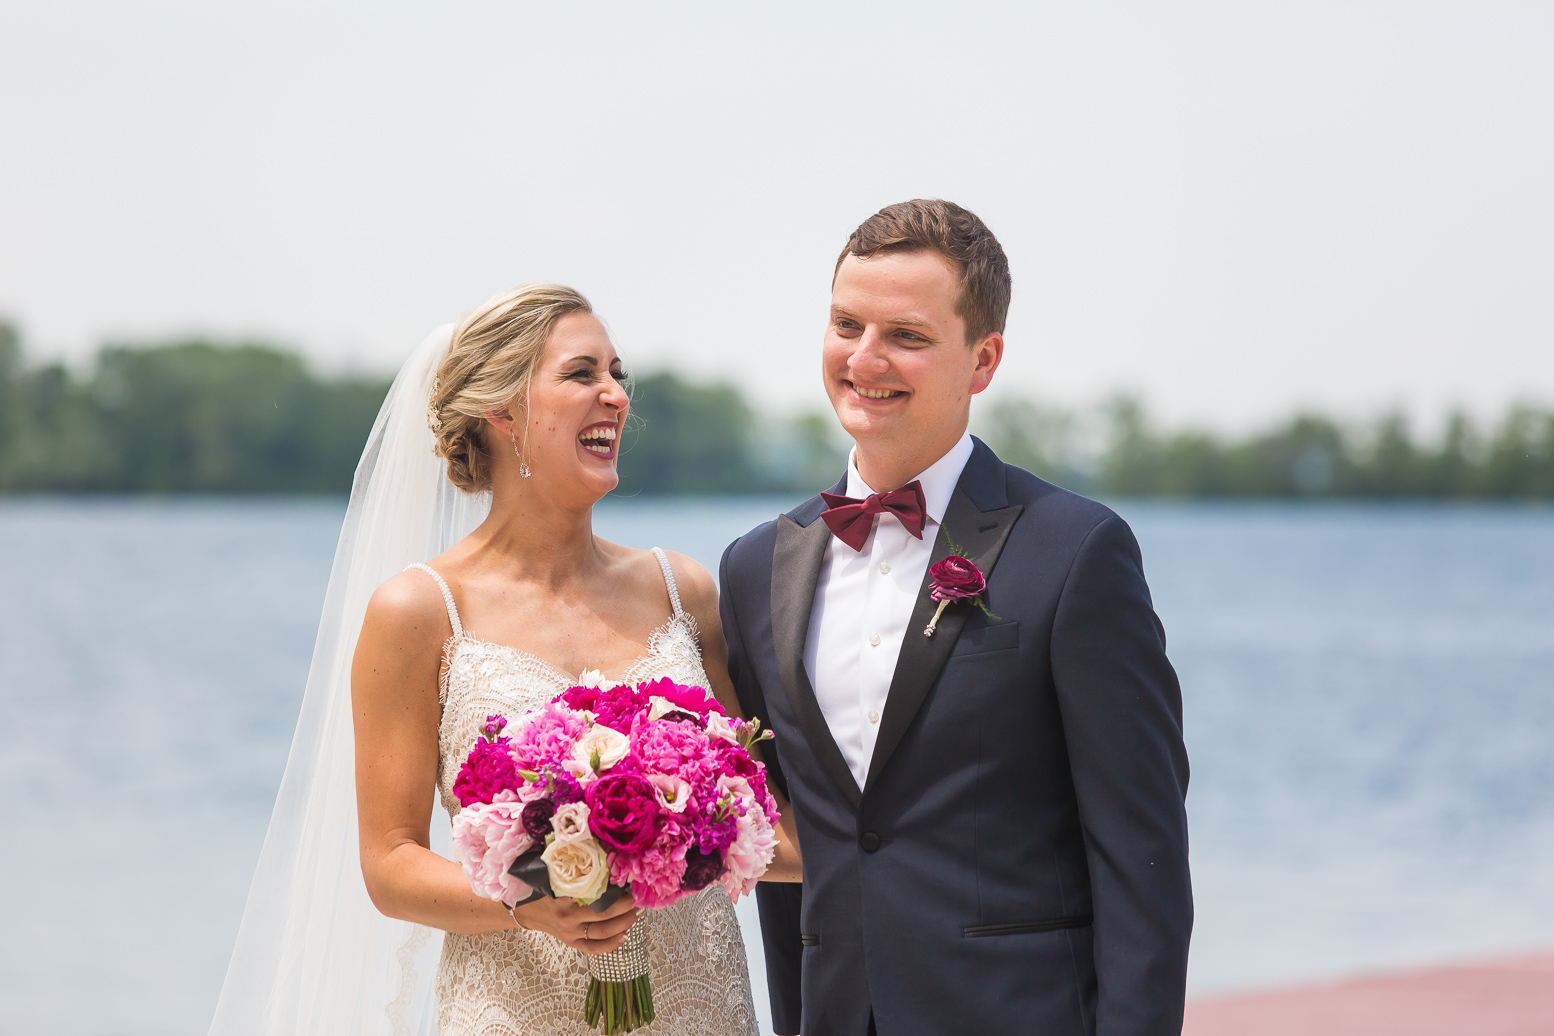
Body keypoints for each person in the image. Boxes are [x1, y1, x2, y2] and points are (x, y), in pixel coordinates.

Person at [209, 283, 798, 1036]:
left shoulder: (682, 591)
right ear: (503, 411)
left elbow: (760, 821)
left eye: (618, 375)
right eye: (582, 374)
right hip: (516, 1009)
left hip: (701, 1002)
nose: (615, 396)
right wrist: (528, 901)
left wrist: (883, 846)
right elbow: (390, 863)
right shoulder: (418, 612)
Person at [720, 200, 1192, 1036]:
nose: (865, 358)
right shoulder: (757, 567)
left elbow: (1141, 858)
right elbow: (792, 844)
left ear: (983, 360)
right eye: (845, 323)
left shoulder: (1078, 552)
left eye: (906, 335)